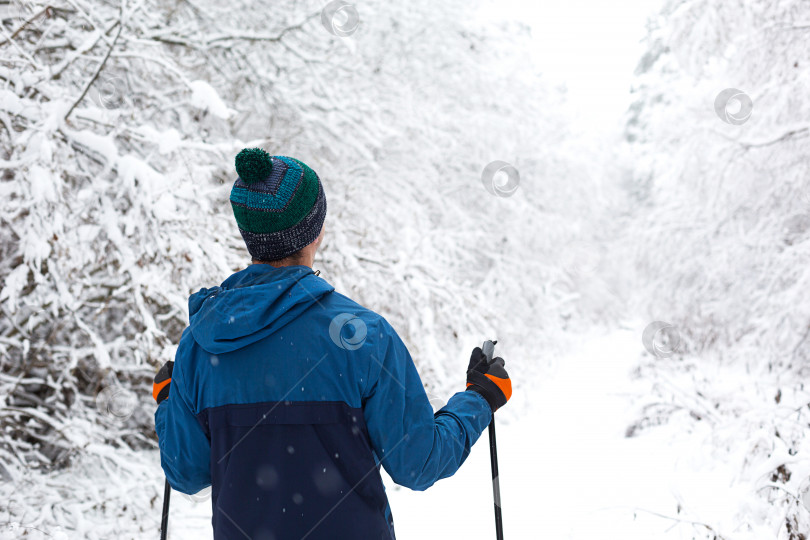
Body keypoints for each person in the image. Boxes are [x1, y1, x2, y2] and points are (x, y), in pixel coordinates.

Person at [152, 148, 512, 539]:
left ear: (247, 235)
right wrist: (479, 399)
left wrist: (170, 405)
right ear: (316, 231)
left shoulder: (200, 346)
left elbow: (186, 473)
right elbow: (418, 463)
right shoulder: (364, 336)